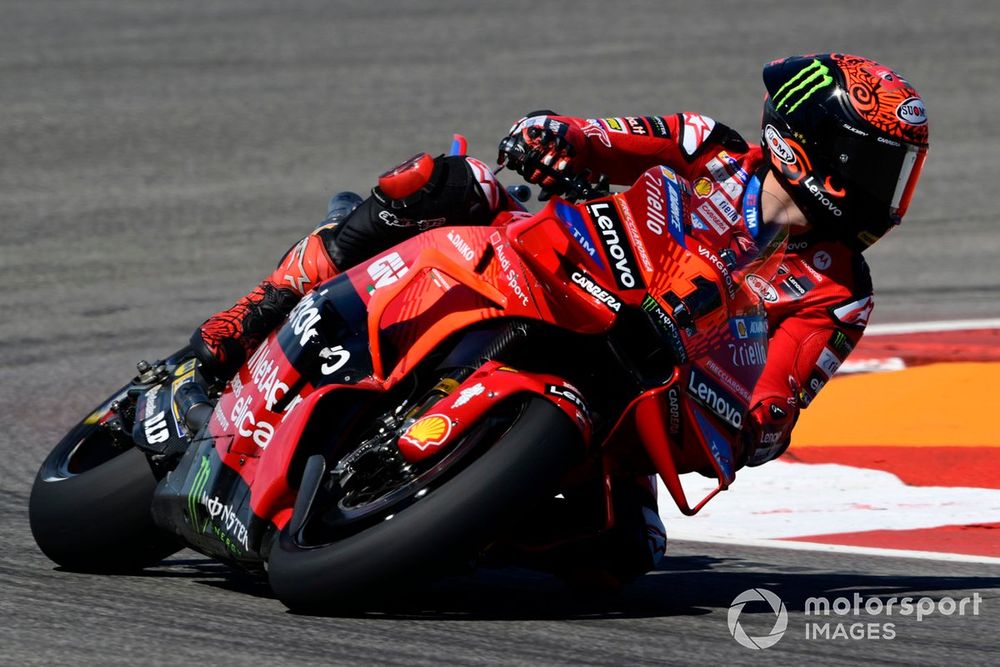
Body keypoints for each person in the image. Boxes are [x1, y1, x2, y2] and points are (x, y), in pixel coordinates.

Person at [190, 53, 929, 580]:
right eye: (880, 167)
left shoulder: (841, 290)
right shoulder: (708, 147)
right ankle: (245, 323)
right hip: (549, 273)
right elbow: (598, 139)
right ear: (820, 151)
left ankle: (449, 529)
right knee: (450, 184)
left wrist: (765, 417)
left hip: (636, 393)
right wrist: (553, 138)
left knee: (625, 546)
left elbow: (783, 386)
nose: (889, 193)